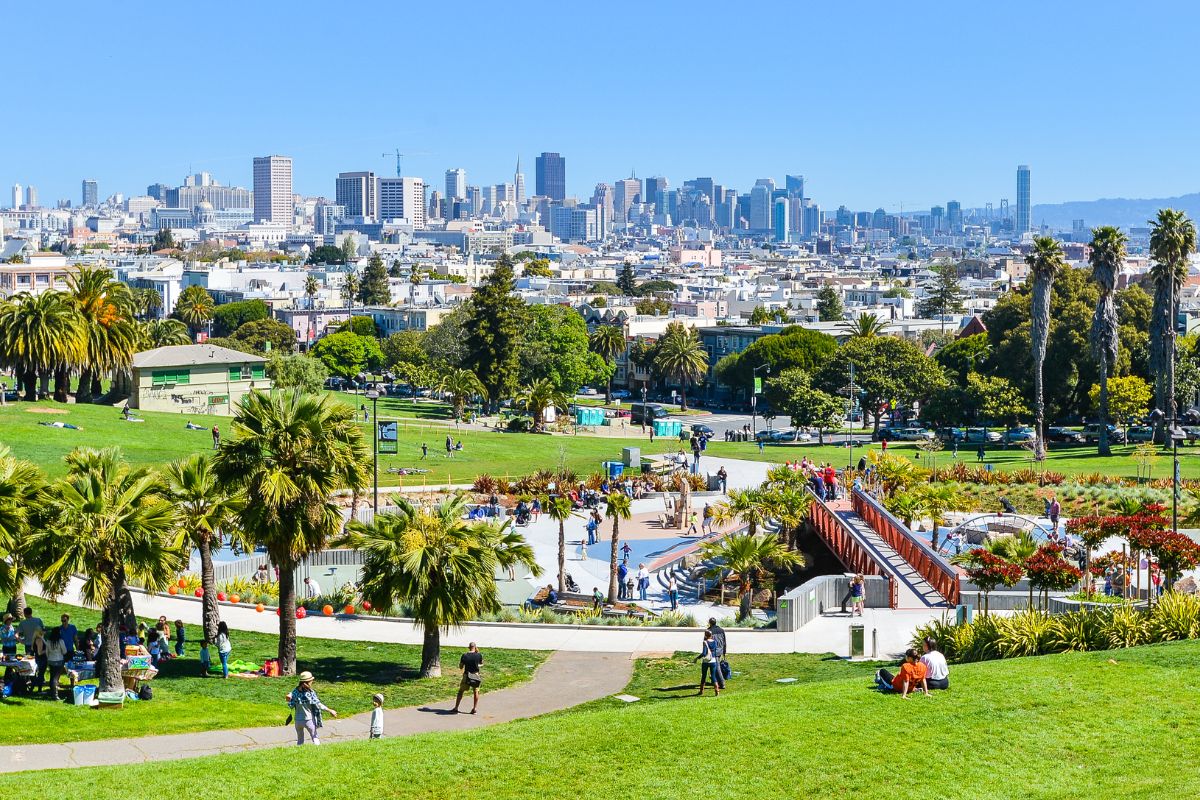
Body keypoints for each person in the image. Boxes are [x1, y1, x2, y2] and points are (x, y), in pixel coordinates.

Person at [287, 671, 337, 744]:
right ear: (309, 681)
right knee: (315, 737)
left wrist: (289, 699)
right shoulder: (310, 693)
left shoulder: (295, 691)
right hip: (308, 719)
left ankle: (299, 753)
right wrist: (330, 710)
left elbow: (291, 704)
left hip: (298, 720)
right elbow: (318, 704)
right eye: (311, 681)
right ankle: (318, 752)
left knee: (300, 740)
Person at [453, 642, 483, 714]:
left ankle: (456, 707)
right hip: (476, 675)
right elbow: (481, 664)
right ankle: (474, 708)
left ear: (469, 647)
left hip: (467, 675)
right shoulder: (479, 655)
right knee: (476, 691)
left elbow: (461, 667)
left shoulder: (465, 655)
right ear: (475, 647)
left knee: (461, 691)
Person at [45, 626, 69, 701]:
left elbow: (46, 652)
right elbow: (64, 651)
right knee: (56, 677)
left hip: (51, 660)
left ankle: (52, 692)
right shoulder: (60, 641)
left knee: (52, 676)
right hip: (59, 660)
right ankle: (55, 695)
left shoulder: (48, 641)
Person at [694, 630, 721, 696]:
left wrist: (697, 658)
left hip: (706, 661)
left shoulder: (705, 642)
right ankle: (717, 690)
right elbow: (714, 650)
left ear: (705, 635)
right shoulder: (714, 642)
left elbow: (704, 653)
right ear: (711, 635)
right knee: (713, 676)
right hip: (713, 660)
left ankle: (701, 691)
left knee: (704, 676)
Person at [706, 617, 727, 690]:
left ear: (710, 623)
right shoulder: (721, 630)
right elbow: (724, 642)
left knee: (717, 666)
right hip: (720, 650)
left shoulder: (708, 631)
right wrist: (724, 652)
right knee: (713, 666)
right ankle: (713, 680)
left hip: (714, 651)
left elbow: (706, 642)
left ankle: (722, 683)